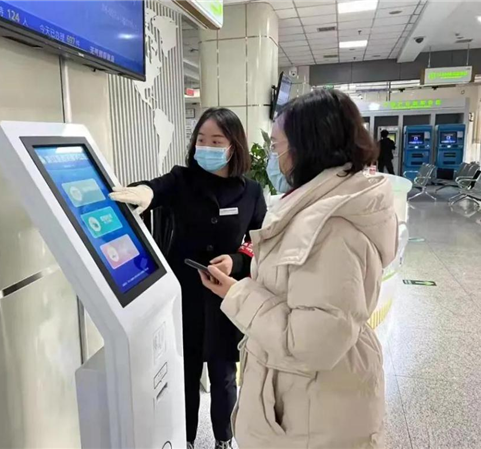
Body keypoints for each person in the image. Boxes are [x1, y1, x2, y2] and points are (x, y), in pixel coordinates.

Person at [200, 89, 398, 448]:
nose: (273, 157)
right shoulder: (314, 209)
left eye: (277, 146)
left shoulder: (331, 230)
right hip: (304, 403)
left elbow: (312, 343)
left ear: (306, 147)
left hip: (312, 416)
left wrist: (238, 293)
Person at [110, 108, 266, 449]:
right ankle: (187, 440)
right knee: (185, 373)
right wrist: (145, 193)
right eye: (201, 140)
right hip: (183, 296)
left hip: (227, 298)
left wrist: (237, 261)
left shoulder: (251, 192)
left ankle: (224, 439)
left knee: (224, 376)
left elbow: (260, 243)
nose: (206, 147)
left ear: (234, 146)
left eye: (216, 141)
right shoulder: (181, 180)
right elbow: (155, 190)